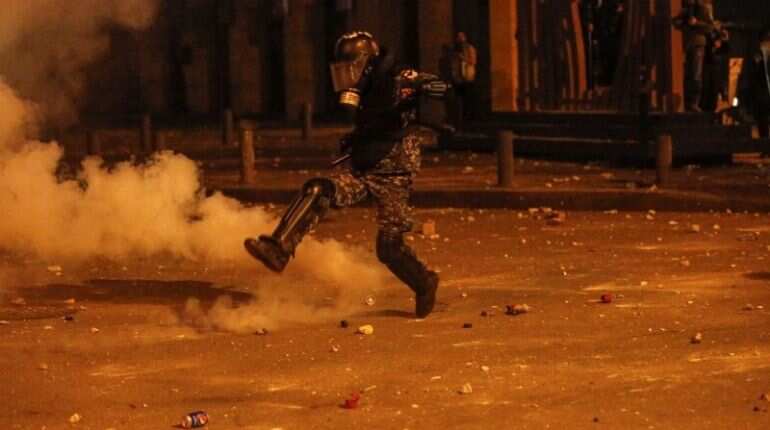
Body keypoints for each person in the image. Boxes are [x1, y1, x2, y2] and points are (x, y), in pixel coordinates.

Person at [244, 31, 449, 318]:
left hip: (394, 173)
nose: (346, 75)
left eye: (350, 66)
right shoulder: (364, 90)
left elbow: (438, 85)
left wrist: (422, 86)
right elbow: (367, 122)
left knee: (389, 248)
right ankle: (279, 247)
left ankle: (424, 282)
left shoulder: (395, 77)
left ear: (366, 62)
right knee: (318, 189)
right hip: (363, 167)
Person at [673, 0, 717, 112]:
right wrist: (679, 22)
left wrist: (697, 23)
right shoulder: (686, 9)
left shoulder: (703, 8)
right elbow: (675, 22)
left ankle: (694, 102)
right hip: (687, 45)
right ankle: (688, 102)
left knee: (696, 75)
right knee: (688, 75)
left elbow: (711, 27)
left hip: (698, 45)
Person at [451, 32, 477, 126]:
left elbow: (473, 61)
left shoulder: (470, 48)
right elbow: (453, 64)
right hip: (458, 79)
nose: (459, 39)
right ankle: (459, 121)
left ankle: (469, 120)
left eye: (461, 37)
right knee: (458, 100)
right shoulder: (454, 51)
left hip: (467, 77)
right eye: (458, 37)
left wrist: (463, 58)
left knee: (468, 100)